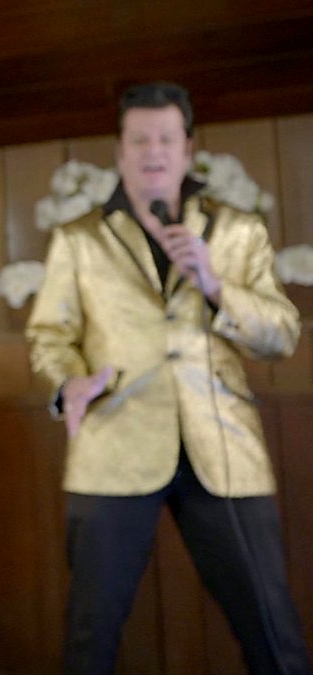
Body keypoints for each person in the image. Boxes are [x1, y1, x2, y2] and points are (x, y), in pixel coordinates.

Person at [26, 82, 310, 674]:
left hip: (224, 446)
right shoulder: (79, 238)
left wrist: (215, 285)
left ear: (187, 149)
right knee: (90, 631)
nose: (153, 150)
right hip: (114, 439)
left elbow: (282, 334)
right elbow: (49, 335)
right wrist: (69, 381)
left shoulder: (237, 230)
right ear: (120, 150)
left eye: (165, 138)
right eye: (140, 140)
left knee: (271, 626)